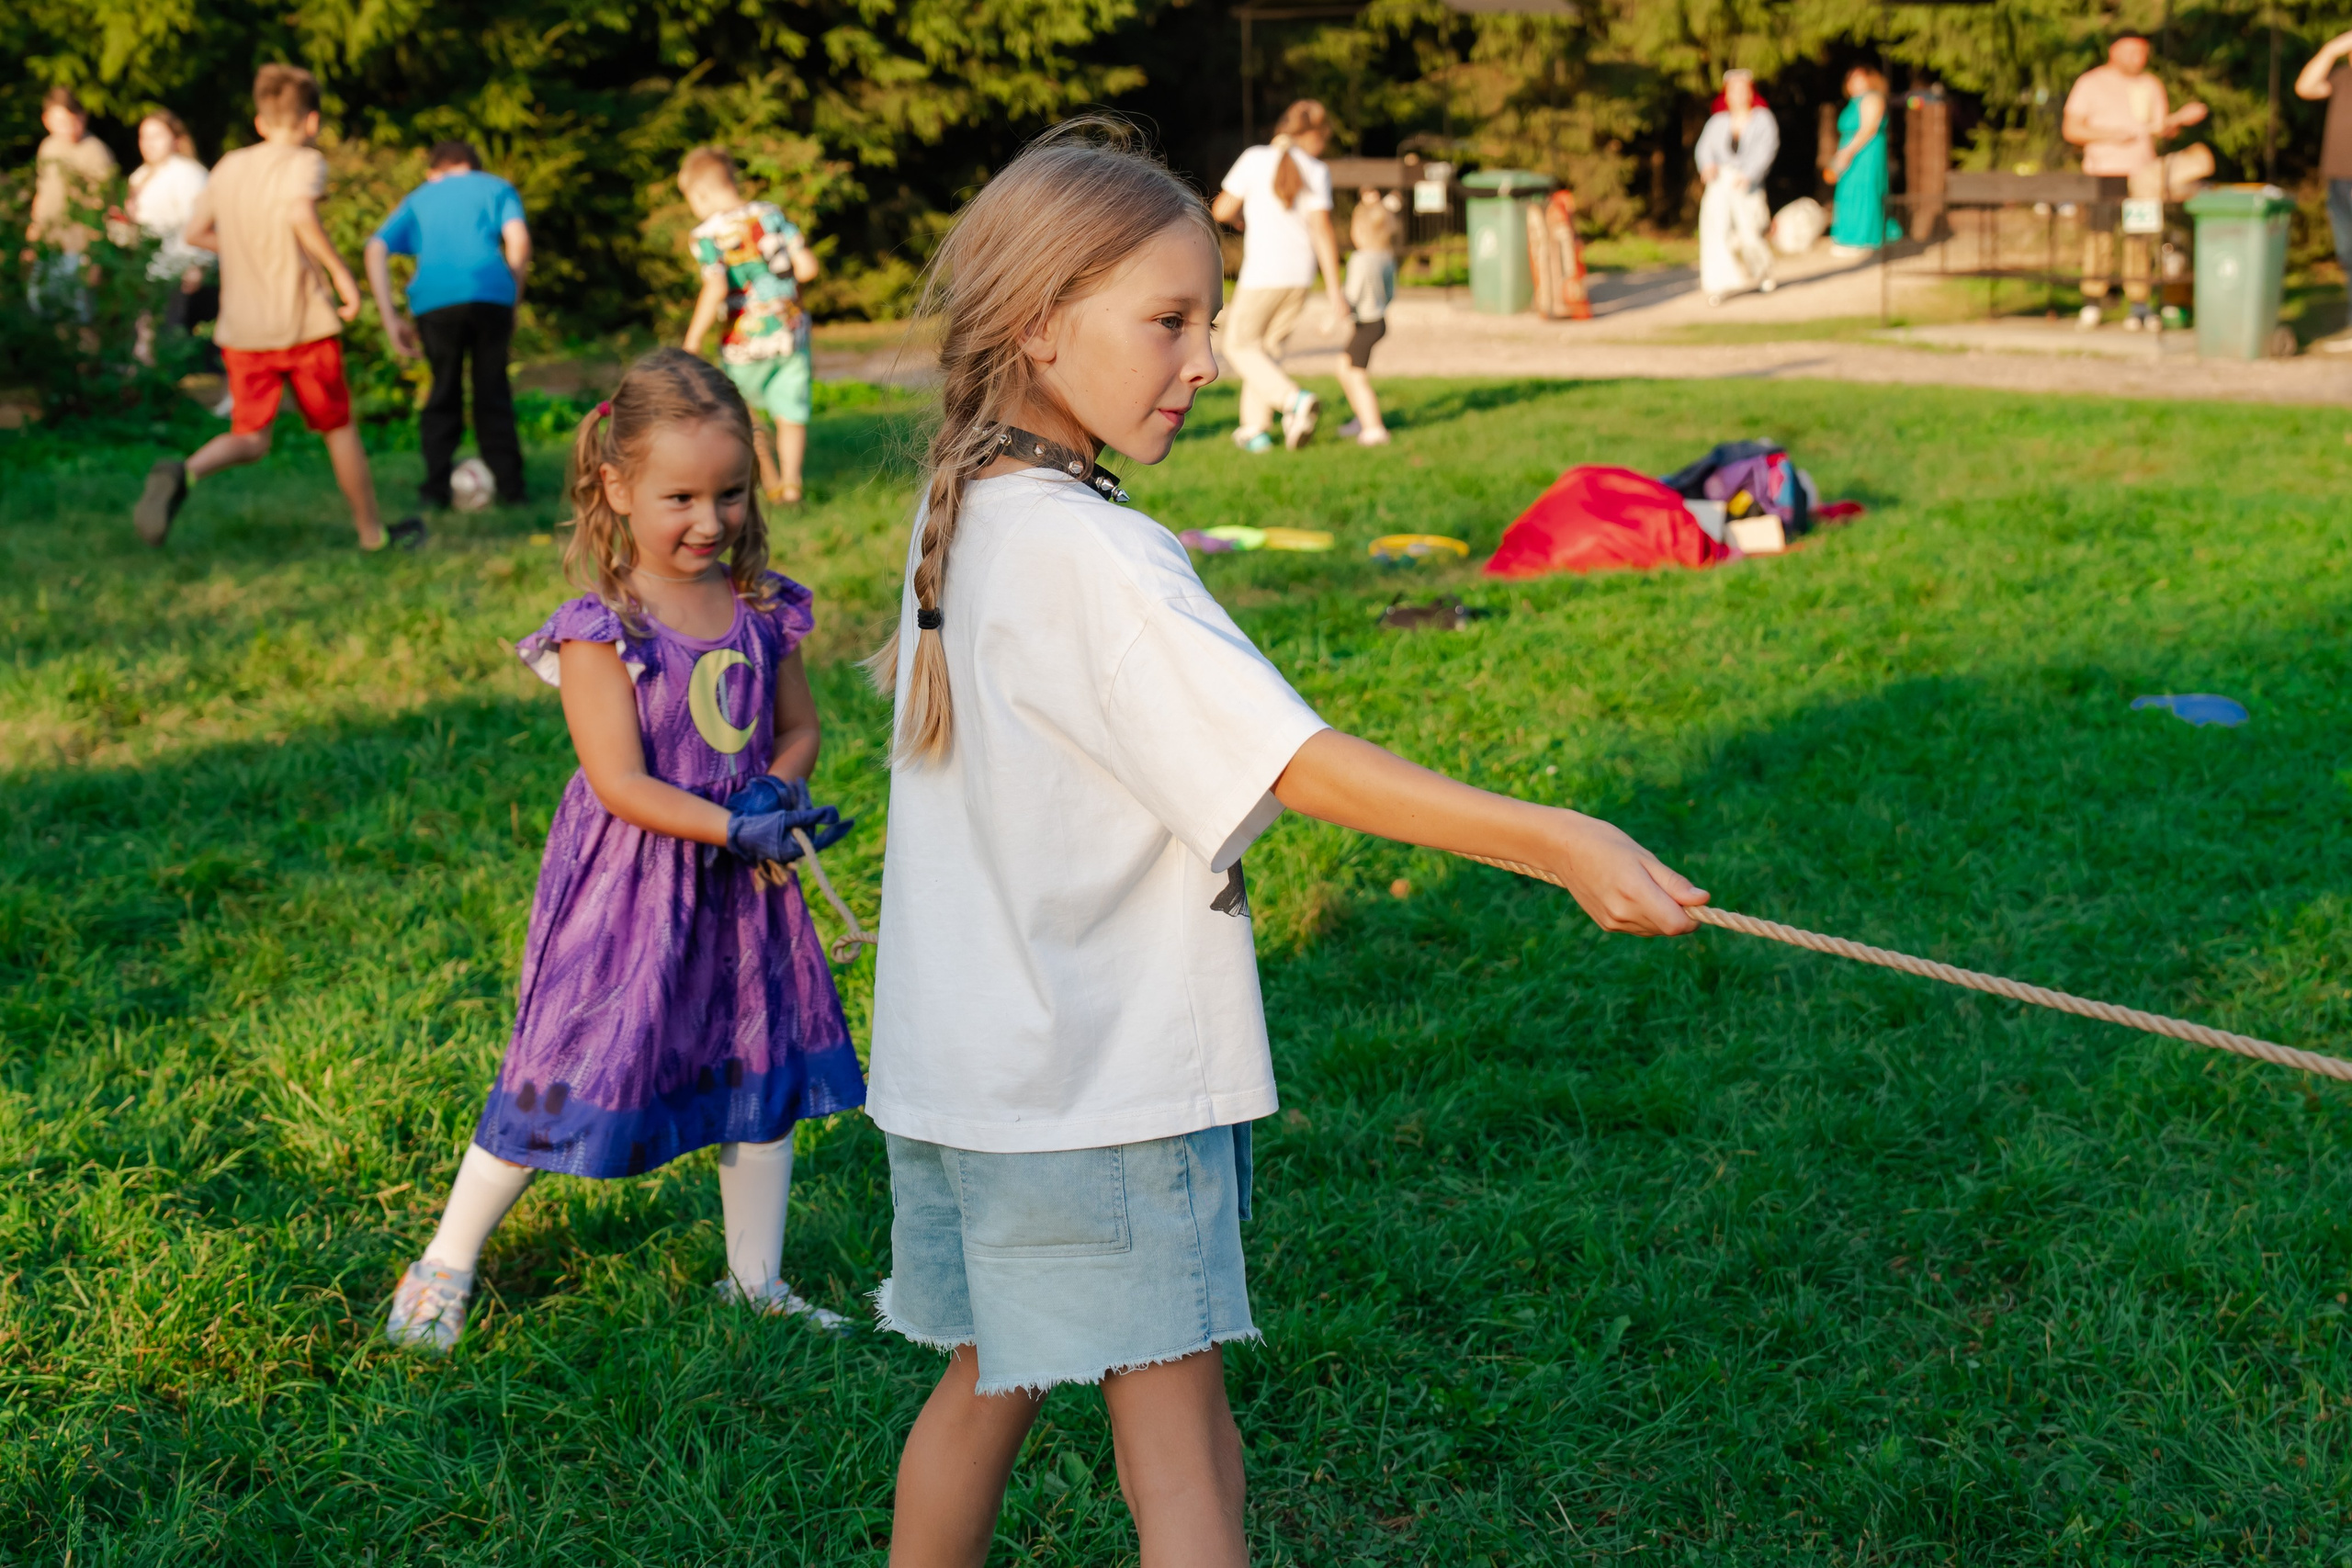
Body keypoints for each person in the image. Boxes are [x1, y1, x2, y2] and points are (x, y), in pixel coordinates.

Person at [861, 122, 1705, 1567]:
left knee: (987, 1379)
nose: (1206, 357)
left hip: (976, 1082)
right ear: (1040, 323)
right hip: (1100, 1088)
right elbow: (1296, 763)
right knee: (1189, 1462)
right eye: (1171, 320)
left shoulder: (976, 507)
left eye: (1212, 315)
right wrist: (1554, 835)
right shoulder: (1093, 551)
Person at [384, 348, 869, 1355]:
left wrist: (780, 784)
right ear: (615, 486)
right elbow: (620, 782)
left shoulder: (763, 608)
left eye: (730, 493)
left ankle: (756, 1281)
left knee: (759, 1061)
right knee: (567, 1060)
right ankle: (447, 1257)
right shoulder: (604, 630)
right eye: (679, 496)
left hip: (747, 885)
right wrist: (733, 825)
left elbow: (798, 727)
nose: (709, 519)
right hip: (633, 888)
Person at [134, 65, 404, 552]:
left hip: (242, 328)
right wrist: (344, 280)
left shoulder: (229, 165)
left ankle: (183, 472)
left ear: (259, 121)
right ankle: (372, 534)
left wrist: (241, 249)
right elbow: (300, 213)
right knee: (337, 427)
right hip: (302, 323)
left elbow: (194, 233)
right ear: (312, 121)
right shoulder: (303, 161)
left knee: (252, 437)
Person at [366, 141, 532, 509]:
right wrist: (513, 298)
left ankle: (436, 490)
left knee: (444, 389)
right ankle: (511, 489)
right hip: (492, 295)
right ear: (474, 166)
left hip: (435, 303)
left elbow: (376, 247)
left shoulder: (421, 195)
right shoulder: (498, 187)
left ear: (433, 171)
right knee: (493, 390)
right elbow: (518, 241)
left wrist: (391, 318)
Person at [678, 147, 821, 507]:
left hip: (744, 342)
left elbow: (716, 288)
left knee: (745, 415)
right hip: (790, 333)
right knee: (791, 413)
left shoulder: (707, 236)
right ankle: (792, 483)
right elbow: (807, 269)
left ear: (702, 194)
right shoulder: (771, 215)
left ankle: (771, 483)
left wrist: (692, 340)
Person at [1211, 99, 1346, 453]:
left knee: (1237, 345)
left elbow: (1222, 209)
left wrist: (1244, 217)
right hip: (1300, 274)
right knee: (1266, 351)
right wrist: (1335, 293)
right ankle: (1256, 431)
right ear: (1313, 136)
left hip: (1263, 274)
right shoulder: (1316, 169)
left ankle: (1294, 401)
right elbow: (1322, 231)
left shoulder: (1255, 159)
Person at [2063, 31, 2211, 332]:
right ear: (2115, 50)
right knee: (2099, 237)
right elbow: (2071, 129)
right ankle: (2093, 301)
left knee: (2139, 238)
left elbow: (2159, 128)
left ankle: (2139, 303)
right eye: (2132, 52)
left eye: (2143, 53)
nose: (2139, 58)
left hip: (2143, 175)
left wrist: (2180, 119)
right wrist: (2109, 135)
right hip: (2102, 173)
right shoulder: (2090, 83)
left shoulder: (2150, 85)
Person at [123, 109, 213, 365]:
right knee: (145, 331)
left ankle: (164, 382)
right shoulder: (140, 175)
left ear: (175, 139)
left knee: (167, 331)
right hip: (144, 268)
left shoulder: (188, 173)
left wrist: (198, 264)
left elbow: (200, 221)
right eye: (144, 136)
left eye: (157, 136)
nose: (149, 143)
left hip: (177, 268)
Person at [23, 86, 119, 316]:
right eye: (60, 121)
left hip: (78, 250)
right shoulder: (48, 147)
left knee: (77, 314)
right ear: (47, 121)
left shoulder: (95, 153)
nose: (68, 128)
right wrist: (33, 235)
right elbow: (43, 192)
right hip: (48, 245)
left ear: (83, 117)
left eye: (74, 120)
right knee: (41, 307)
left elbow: (103, 208)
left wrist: (93, 257)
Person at [1694, 70, 1780, 305]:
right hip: (1720, 182)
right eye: (1734, 91)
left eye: (1743, 90)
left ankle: (1763, 272)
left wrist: (1749, 174)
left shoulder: (1762, 119)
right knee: (1716, 231)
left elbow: (1767, 149)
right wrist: (1707, 165)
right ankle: (1720, 282)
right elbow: (1704, 148)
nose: (1739, 95)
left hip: (1746, 183)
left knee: (1750, 232)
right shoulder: (1718, 121)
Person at [2294, 26, 2352, 344]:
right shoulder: (2342, 77)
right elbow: (2305, 87)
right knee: (2348, 252)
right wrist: (2331, 49)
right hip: (2339, 179)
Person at [1336, 189, 1397, 446]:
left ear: (1359, 231)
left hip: (1366, 324)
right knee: (1342, 367)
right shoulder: (1386, 258)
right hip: (1378, 322)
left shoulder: (1360, 260)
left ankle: (1374, 429)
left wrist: (1331, 321)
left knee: (1356, 375)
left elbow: (1350, 295)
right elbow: (1392, 293)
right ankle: (1362, 418)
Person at [1825, 66, 1894, 256]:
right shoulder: (1853, 102)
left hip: (1865, 153)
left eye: (1859, 79)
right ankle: (1848, 237)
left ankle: (1865, 239)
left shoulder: (1872, 98)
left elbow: (1868, 129)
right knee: (1848, 193)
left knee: (1864, 192)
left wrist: (1848, 151)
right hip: (1849, 150)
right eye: (1851, 80)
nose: (1854, 84)